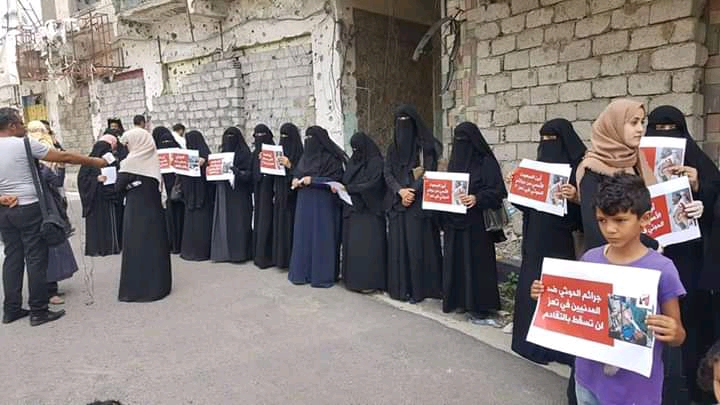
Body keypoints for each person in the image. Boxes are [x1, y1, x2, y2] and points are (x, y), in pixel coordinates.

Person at [531, 173, 686, 405]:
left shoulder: (662, 269)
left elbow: (678, 335)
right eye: (602, 220)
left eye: (620, 220)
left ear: (644, 219)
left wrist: (673, 332)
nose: (610, 229)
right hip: (587, 380)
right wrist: (547, 296)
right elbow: (576, 309)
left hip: (635, 389)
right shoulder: (590, 259)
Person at [0, 107, 106, 326]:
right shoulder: (24, 145)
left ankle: (11, 310)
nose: (23, 127)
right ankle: (39, 310)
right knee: (36, 258)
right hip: (29, 208)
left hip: (5, 211)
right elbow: (64, 156)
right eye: (20, 123)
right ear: (11, 126)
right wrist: (95, 162)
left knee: (13, 257)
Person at [646, 105, 720, 404]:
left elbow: (715, 198)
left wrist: (699, 188)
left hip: (690, 259)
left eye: (672, 130)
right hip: (650, 253)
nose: (666, 135)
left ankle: (691, 387)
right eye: (658, 130)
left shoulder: (699, 164)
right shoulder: (636, 162)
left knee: (689, 321)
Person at [509, 119, 586, 404]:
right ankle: (531, 342)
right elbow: (524, 205)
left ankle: (558, 347)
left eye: (552, 138)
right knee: (533, 286)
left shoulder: (580, 169)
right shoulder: (538, 166)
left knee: (558, 289)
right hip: (535, 240)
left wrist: (575, 197)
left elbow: (589, 214)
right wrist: (516, 187)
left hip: (563, 242)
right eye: (544, 139)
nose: (547, 144)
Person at [576, 99, 662, 252]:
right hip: (615, 259)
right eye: (634, 122)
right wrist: (650, 244)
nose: (640, 129)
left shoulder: (637, 161)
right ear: (613, 126)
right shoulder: (593, 170)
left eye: (642, 122)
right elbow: (597, 231)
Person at [441, 122, 506, 320]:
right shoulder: (454, 162)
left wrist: (477, 198)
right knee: (457, 261)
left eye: (464, 140)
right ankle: (459, 301)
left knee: (477, 263)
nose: (461, 145)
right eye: (457, 140)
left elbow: (498, 191)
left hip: (477, 222)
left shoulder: (486, 162)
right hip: (454, 221)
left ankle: (480, 305)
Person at [384, 104, 443, 303]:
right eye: (398, 123)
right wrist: (399, 191)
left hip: (418, 206)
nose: (402, 128)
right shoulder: (393, 148)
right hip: (397, 203)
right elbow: (387, 172)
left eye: (406, 123)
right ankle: (401, 289)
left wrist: (412, 191)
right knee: (399, 248)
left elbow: (429, 172)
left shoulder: (426, 147)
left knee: (418, 248)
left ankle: (419, 290)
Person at [116, 127, 172, 302]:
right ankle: (158, 286)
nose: (127, 147)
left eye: (128, 143)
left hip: (136, 212)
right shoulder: (154, 160)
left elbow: (117, 188)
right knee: (154, 246)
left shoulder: (129, 163)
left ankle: (138, 290)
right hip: (154, 211)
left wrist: (129, 186)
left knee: (137, 247)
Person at [27, 121, 79, 306]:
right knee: (45, 248)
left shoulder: (40, 165)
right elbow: (54, 180)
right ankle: (48, 291)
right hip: (41, 210)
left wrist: (60, 166)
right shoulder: (35, 162)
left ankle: (48, 288)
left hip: (45, 208)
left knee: (46, 247)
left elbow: (56, 181)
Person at [288, 126, 347, 287]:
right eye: (306, 138)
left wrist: (314, 181)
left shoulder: (331, 159)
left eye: (311, 138)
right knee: (304, 238)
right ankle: (302, 273)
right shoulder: (305, 157)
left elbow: (337, 180)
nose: (308, 142)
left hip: (323, 204)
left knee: (321, 238)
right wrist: (295, 179)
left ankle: (321, 275)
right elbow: (298, 172)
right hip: (304, 203)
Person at [341, 132, 387, 293]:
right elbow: (346, 179)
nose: (356, 152)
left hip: (371, 211)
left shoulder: (376, 162)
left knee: (370, 249)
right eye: (353, 149)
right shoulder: (354, 160)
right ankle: (354, 281)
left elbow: (373, 184)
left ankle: (370, 282)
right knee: (356, 248)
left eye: (358, 148)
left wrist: (351, 188)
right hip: (354, 211)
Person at [210, 127, 253, 263]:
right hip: (226, 193)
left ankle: (241, 254)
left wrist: (238, 172)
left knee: (240, 223)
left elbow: (249, 175)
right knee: (227, 223)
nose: (229, 140)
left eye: (232, 137)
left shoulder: (245, 154)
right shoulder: (222, 154)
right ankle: (227, 253)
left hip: (240, 194)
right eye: (227, 137)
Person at [78, 135, 122, 257]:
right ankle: (99, 248)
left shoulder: (111, 160)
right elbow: (82, 180)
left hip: (109, 197)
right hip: (95, 198)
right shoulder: (89, 162)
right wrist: (96, 179)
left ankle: (112, 246)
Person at [272, 123, 303, 269]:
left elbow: (301, 173)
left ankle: (292, 259)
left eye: (286, 136)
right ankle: (280, 259)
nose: (283, 139)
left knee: (292, 226)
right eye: (281, 136)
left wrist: (290, 165)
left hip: (293, 197)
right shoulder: (279, 152)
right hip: (280, 195)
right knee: (280, 226)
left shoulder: (300, 154)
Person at [180, 130, 214, 261]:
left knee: (201, 224)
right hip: (191, 198)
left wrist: (204, 163)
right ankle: (189, 251)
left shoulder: (207, 157)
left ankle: (201, 252)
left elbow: (212, 176)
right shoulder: (185, 156)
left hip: (203, 197)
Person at [154, 127, 184, 254]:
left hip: (167, 192)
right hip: (176, 192)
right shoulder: (179, 151)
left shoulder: (155, 154)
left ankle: (171, 244)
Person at [251, 124, 276, 269]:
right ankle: (259, 255)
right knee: (260, 222)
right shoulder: (255, 154)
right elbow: (253, 174)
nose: (259, 139)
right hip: (259, 192)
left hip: (271, 193)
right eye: (257, 136)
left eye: (262, 135)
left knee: (269, 222)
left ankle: (268, 256)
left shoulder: (275, 151)